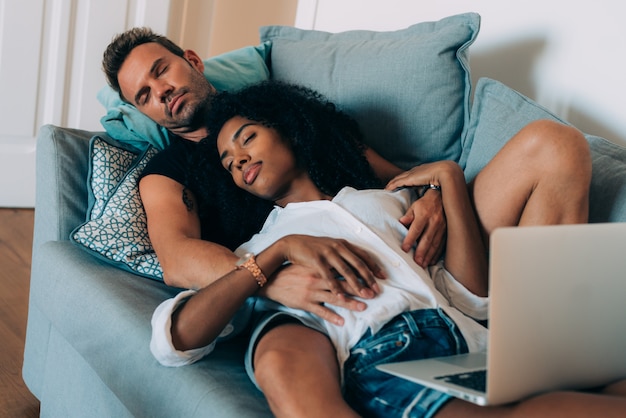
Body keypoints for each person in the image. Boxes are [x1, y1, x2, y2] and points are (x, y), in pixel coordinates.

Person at [103, 28, 596, 416]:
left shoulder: (291, 115)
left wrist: (433, 196)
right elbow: (178, 261)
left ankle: (546, 345)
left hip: (408, 238)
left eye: (160, 72)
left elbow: (392, 178)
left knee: (555, 147)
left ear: (191, 60)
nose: (160, 93)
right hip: (327, 296)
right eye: (143, 96)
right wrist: (271, 278)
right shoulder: (168, 172)